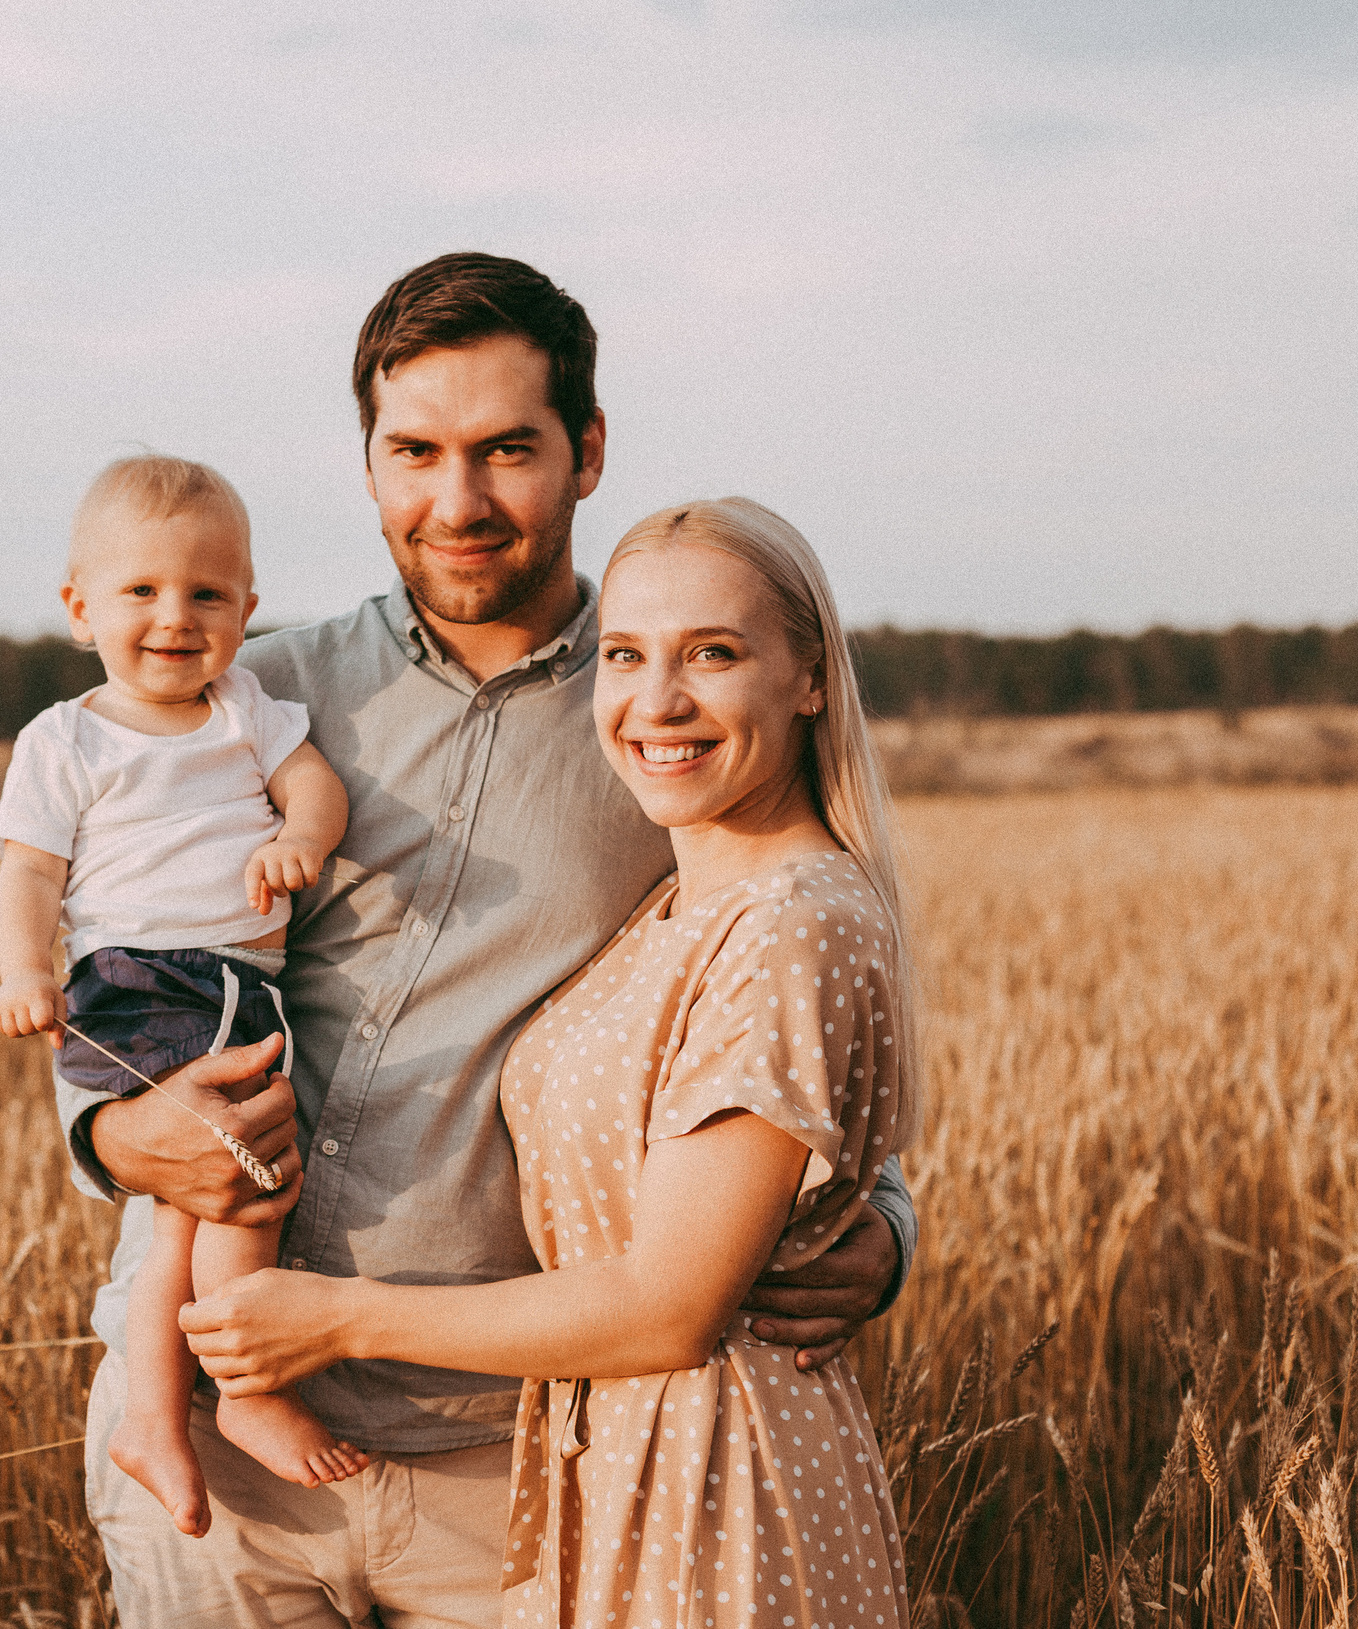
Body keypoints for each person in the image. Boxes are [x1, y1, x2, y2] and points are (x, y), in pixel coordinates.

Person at [51, 254, 919, 1625]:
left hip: (510, 1457)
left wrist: (878, 1216)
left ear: (586, 452)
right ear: (368, 459)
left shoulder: (658, 724)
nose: (455, 503)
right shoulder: (256, 692)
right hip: (217, 1438)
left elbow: (778, 974)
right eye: (415, 452)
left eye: (506, 449)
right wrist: (100, 1135)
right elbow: (121, 939)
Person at [183, 498, 913, 1625]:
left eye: (712, 654)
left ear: (809, 677)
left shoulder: (788, 917)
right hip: (611, 1460)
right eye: (626, 656)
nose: (657, 701)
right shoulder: (675, 898)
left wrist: (335, 1318)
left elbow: (667, 1305)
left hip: (715, 1483)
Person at [0, 454, 365, 1539]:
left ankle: (155, 1412)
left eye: (207, 594)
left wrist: (300, 838)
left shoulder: (245, 707)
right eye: (140, 592)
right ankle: (240, 1392)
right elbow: (28, 875)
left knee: (183, 1216)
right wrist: (25, 973)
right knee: (249, 1183)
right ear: (79, 608)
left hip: (241, 984)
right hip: (136, 982)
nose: (173, 617)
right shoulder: (67, 739)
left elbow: (316, 790)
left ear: (248, 608)